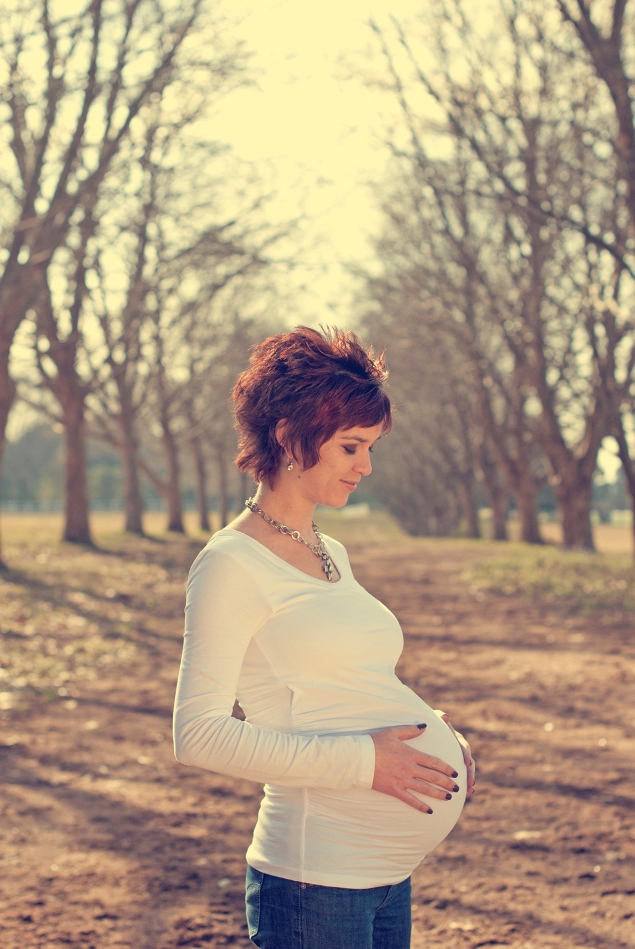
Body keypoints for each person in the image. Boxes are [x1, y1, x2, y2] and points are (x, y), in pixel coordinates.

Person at [173, 326, 476, 949]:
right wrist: (366, 761)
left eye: (370, 447)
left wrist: (431, 731)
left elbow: (344, 677)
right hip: (316, 881)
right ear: (288, 438)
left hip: (385, 876)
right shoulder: (231, 563)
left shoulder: (329, 548)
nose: (366, 466)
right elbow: (197, 734)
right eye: (350, 447)